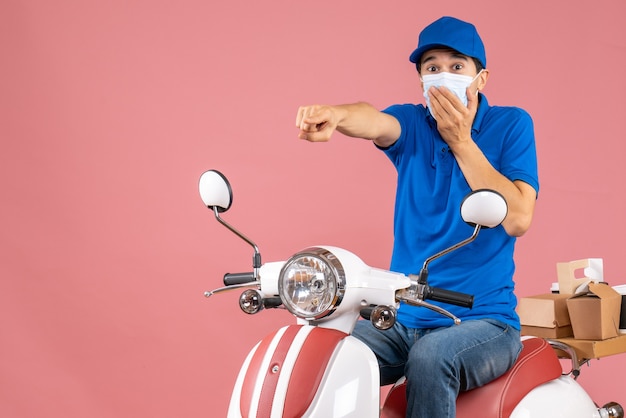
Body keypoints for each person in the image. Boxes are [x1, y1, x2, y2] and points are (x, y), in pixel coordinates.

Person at [295, 16, 539, 418]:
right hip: (402, 318)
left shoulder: (511, 124)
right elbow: (372, 119)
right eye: (432, 67)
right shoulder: (413, 124)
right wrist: (336, 116)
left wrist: (460, 140)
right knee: (324, 348)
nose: (444, 75)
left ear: (481, 78)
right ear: (421, 81)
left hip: (484, 322)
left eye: (457, 66)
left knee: (430, 356)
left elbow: (518, 218)